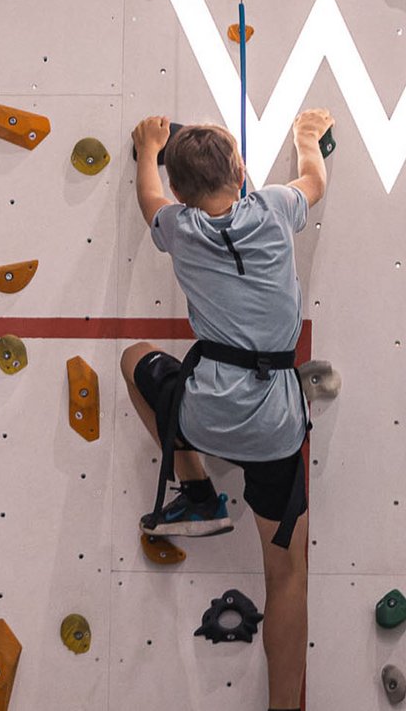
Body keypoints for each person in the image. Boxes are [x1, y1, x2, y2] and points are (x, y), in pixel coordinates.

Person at [118, 110, 332, 711]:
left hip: (206, 411)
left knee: (137, 358)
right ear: (242, 172)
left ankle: (197, 489)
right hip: (274, 426)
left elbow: (148, 196)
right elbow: (314, 180)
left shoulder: (179, 227)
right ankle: (284, 708)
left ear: (183, 195)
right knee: (288, 573)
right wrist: (307, 140)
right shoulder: (272, 208)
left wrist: (148, 148)